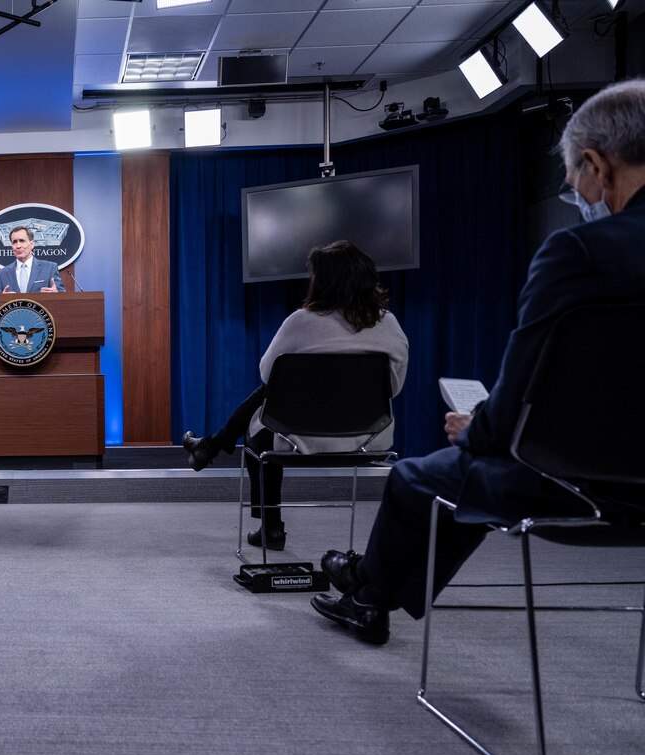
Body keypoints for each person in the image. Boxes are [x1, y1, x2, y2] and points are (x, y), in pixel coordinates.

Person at [311, 79, 645, 645]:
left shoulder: (579, 253)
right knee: (464, 474)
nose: (581, 201)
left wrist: (479, 429)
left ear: (595, 165)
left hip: (577, 486)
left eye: (573, 188)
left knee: (423, 476)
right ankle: (367, 588)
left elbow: (519, 394)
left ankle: (368, 590)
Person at [182, 241, 409, 551]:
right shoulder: (389, 324)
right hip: (367, 438)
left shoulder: (301, 322)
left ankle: (270, 525)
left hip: (299, 438)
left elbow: (267, 374)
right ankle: (210, 446)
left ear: (323, 281)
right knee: (266, 407)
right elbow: (393, 387)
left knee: (260, 427)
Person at [0, 225, 64, 294]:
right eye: (14, 242)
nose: (18, 246)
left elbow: (63, 299)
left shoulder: (50, 268)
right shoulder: (2, 274)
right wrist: (1, 298)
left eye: (22, 241)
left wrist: (57, 294)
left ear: (32, 244)